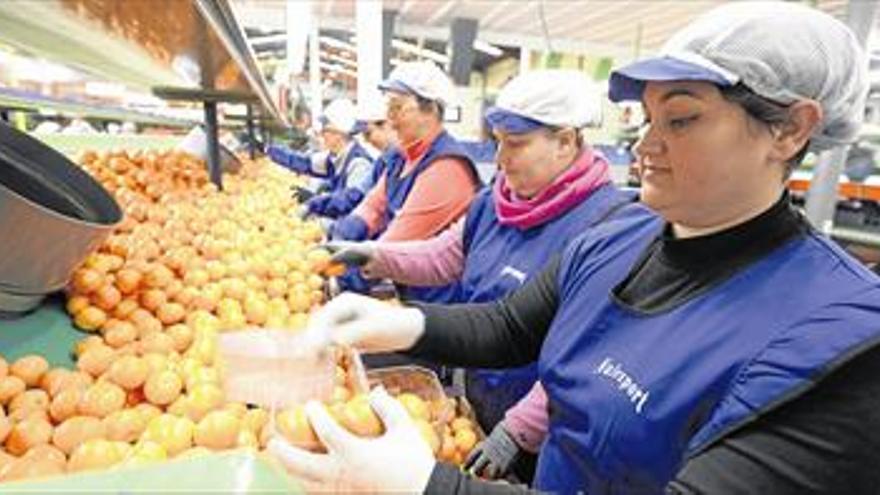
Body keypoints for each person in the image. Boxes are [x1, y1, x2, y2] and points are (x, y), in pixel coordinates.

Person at [266, 3, 880, 494]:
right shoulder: (618, 240)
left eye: (682, 119)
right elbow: (509, 325)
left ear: (791, 129)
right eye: (647, 118)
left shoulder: (838, 341)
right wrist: (394, 321)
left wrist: (433, 486)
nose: (646, 146)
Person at [326, 70, 633, 464]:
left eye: (516, 144)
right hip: (477, 405)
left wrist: (519, 432)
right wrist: (372, 255)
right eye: (499, 143)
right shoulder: (492, 204)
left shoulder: (606, 226)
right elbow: (440, 257)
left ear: (566, 141)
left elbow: (586, 349)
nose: (501, 161)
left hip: (540, 435)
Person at [331, 60, 482, 302]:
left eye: (398, 107)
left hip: (441, 307)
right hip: (411, 294)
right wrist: (342, 232)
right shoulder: (400, 158)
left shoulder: (446, 168)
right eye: (388, 108)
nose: (390, 119)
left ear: (430, 109)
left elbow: (396, 244)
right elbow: (373, 207)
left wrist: (333, 273)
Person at [267, 98, 375, 219]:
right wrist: (269, 151)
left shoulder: (359, 164)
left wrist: (315, 201)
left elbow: (350, 204)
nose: (322, 135)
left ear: (339, 134)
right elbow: (305, 163)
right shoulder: (334, 157)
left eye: (326, 131)